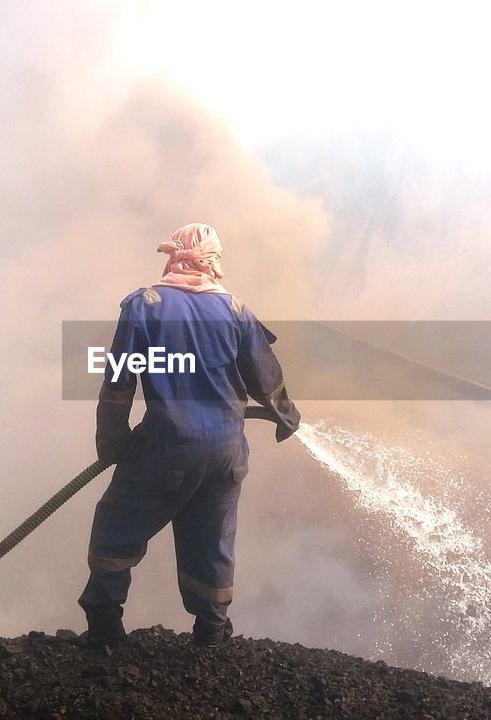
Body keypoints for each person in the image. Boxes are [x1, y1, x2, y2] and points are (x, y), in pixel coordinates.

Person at [78, 222, 300, 650]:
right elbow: (266, 376)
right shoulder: (236, 310)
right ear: (214, 260)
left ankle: (104, 627)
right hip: (226, 453)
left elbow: (120, 382)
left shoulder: (145, 306)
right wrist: (285, 414)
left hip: (166, 447)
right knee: (212, 537)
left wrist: (112, 443)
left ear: (175, 256)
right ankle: (212, 632)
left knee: (116, 525)